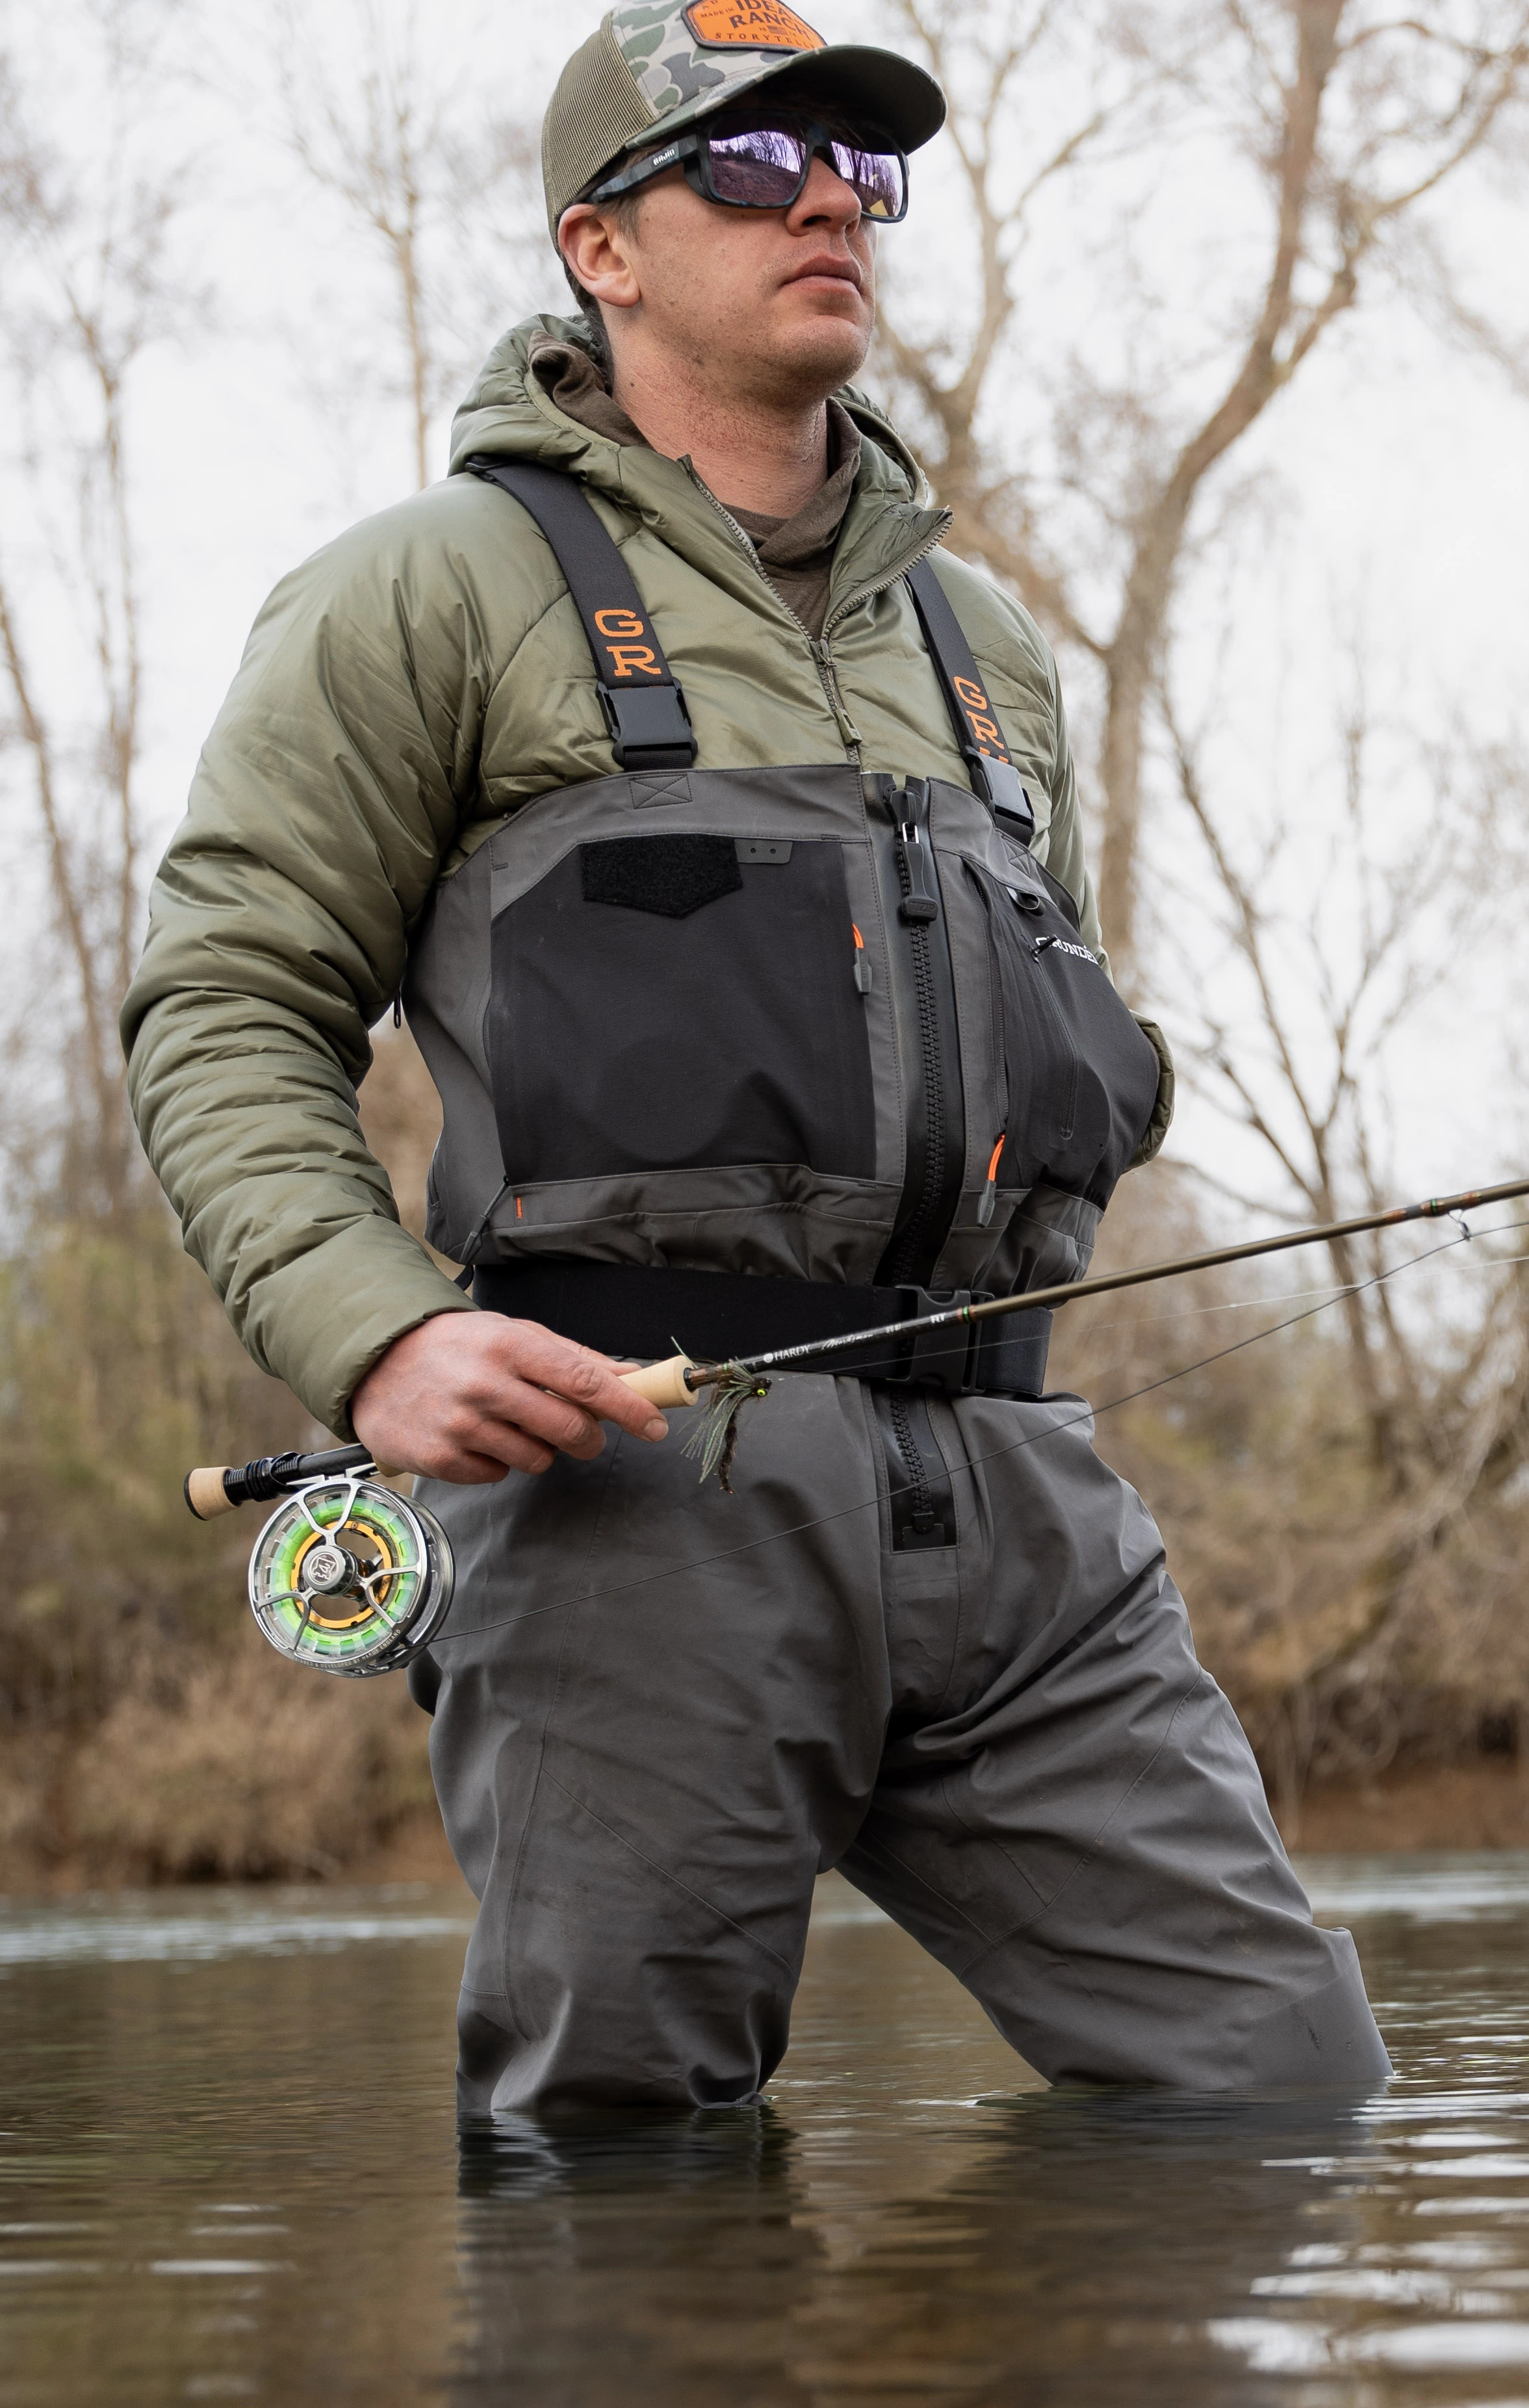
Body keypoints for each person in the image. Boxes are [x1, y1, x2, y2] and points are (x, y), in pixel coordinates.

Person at [120, 0, 1387, 2124]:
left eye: (863, 169)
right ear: (598, 246)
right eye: (747, 160)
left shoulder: (986, 652)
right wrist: (371, 1338)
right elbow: (226, 999)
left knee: (1278, 2093)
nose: (828, 197)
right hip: (640, 1502)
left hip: (1024, 1507)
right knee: (622, 2165)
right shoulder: (429, 590)